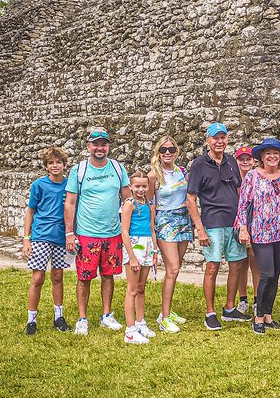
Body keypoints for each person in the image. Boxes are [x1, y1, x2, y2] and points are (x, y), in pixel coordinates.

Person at [64, 127, 130, 336]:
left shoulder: (118, 168)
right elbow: (70, 203)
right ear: (88, 146)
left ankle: (106, 315)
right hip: (86, 233)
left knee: (108, 275)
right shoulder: (79, 170)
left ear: (108, 146)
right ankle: (82, 318)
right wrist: (69, 233)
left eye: (103, 144)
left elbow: (127, 199)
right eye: (96, 144)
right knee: (84, 277)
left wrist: (128, 229)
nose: (99, 148)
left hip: (112, 233)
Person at [186, 122, 250, 330]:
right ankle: (210, 312)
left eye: (223, 138)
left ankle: (230, 308)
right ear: (208, 140)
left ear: (227, 140)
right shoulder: (199, 164)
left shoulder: (231, 161)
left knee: (237, 264)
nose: (219, 141)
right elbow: (191, 198)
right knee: (212, 266)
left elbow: (240, 193)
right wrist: (200, 228)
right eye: (215, 138)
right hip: (213, 223)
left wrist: (242, 223)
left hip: (233, 222)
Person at [235, 138, 280, 334]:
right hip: (260, 232)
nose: (272, 156)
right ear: (261, 156)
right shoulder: (252, 176)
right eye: (268, 153)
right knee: (266, 274)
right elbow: (243, 204)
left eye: (275, 153)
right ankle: (258, 316)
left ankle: (268, 316)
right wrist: (243, 228)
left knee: (275, 275)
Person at [22, 147, 72, 335]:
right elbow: (31, 211)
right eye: (51, 163)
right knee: (38, 278)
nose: (55, 165)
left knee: (58, 277)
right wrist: (26, 239)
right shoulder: (39, 185)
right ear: (46, 166)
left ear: (64, 165)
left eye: (58, 162)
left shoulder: (69, 186)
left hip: (61, 238)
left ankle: (58, 317)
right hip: (41, 236)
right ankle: (31, 320)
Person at [147, 137, 190, 334]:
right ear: (158, 152)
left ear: (176, 151)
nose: (167, 152)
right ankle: (164, 318)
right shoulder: (153, 175)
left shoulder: (182, 172)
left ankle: (167, 311)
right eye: (163, 149)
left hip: (182, 220)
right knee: (172, 268)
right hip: (165, 222)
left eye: (171, 149)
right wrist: (152, 232)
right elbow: (150, 206)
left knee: (176, 268)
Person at [121, 171, 158, 344]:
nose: (141, 189)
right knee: (132, 288)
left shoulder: (149, 204)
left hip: (148, 246)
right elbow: (124, 231)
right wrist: (132, 257)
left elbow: (151, 228)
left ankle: (140, 322)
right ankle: (130, 330)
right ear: (131, 187)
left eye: (144, 186)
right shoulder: (129, 204)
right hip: (134, 247)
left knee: (142, 288)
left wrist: (155, 251)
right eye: (137, 186)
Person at [233, 146, 260, 315]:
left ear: (253, 161)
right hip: (237, 226)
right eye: (241, 159)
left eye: (248, 159)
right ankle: (242, 299)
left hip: (255, 225)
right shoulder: (233, 179)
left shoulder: (258, 178)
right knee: (240, 265)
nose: (245, 162)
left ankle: (257, 299)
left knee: (255, 264)